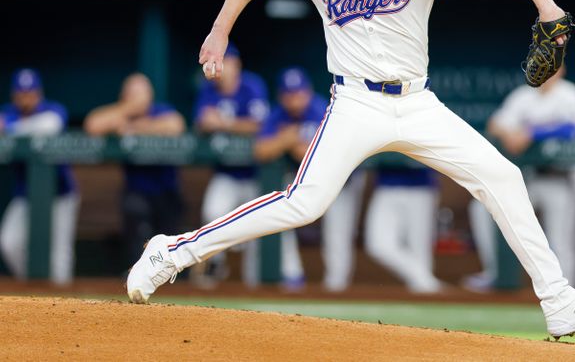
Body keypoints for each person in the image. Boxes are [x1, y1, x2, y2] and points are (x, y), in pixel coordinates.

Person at [126, 0, 575, 339]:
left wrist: (548, 7)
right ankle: (173, 251)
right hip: (355, 102)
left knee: (502, 176)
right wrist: (219, 30)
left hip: (417, 103)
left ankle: (559, 301)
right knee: (305, 203)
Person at [464, 67, 575, 291]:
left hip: (562, 178)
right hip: (531, 178)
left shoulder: (570, 93)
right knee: (483, 209)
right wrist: (509, 134)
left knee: (561, 238)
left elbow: (571, 128)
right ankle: (496, 273)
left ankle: (568, 292)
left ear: (562, 69)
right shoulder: (523, 96)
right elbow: (495, 124)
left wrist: (530, 132)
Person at [254, 66, 368, 291]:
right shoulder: (278, 115)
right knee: (280, 215)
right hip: (307, 184)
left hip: (341, 181)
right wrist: (286, 141)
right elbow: (260, 150)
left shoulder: (324, 109)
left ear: (307, 92)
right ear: (281, 96)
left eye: (298, 93)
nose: (295, 100)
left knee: (337, 233)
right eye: (289, 94)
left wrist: (298, 146)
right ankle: (292, 276)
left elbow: (332, 152)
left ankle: (337, 287)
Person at [83, 73, 186, 269]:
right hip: (136, 191)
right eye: (133, 94)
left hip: (167, 191)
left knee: (170, 240)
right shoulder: (121, 112)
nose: (139, 99)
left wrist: (134, 127)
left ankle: (174, 285)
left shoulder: (160, 111)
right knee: (135, 225)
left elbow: (176, 125)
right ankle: (135, 274)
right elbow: (93, 125)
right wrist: (129, 109)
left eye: (142, 93)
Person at [192, 43, 269, 287]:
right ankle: (217, 263)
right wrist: (218, 123)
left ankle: (256, 285)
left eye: (226, 63)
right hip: (227, 172)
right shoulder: (209, 88)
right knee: (213, 212)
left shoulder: (252, 85)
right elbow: (200, 123)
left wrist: (224, 123)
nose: (221, 69)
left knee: (259, 228)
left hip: (257, 173)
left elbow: (260, 126)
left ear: (236, 65)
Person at [0, 69, 79, 285]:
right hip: (25, 194)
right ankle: (36, 290)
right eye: (21, 93)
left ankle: (63, 304)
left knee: (60, 252)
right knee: (9, 242)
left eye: (30, 92)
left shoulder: (52, 110)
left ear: (39, 93)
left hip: (60, 192)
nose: (26, 98)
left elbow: (51, 125)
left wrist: (10, 128)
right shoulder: (8, 111)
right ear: (14, 95)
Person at [364, 166, 443, 293]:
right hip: (386, 184)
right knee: (378, 245)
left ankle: (425, 291)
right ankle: (428, 283)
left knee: (419, 249)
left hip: (421, 185)